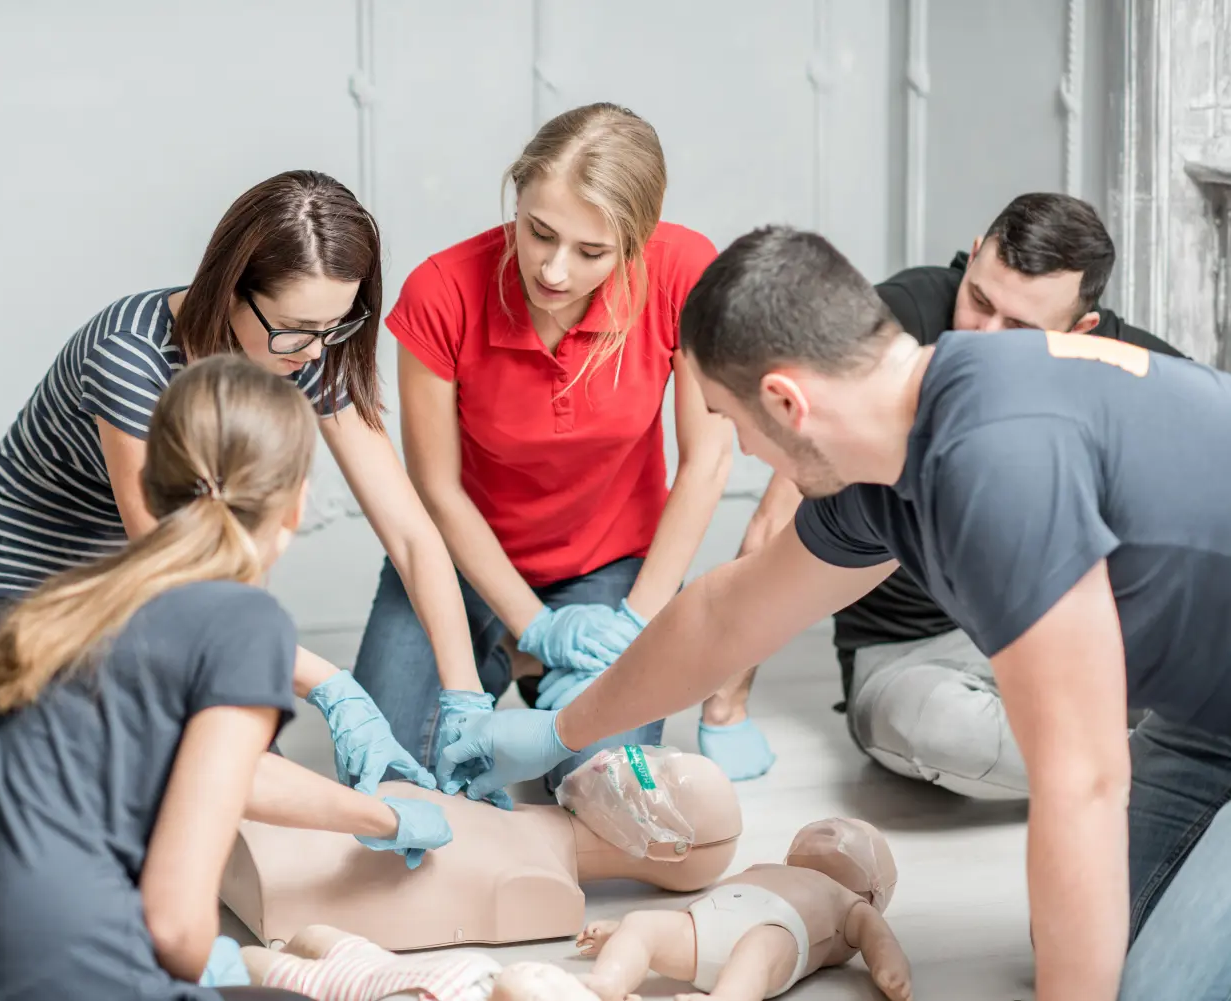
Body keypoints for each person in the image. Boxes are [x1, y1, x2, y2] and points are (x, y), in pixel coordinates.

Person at [439, 225, 1231, 1001]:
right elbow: (724, 615)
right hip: (1202, 717)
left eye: (731, 419)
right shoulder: (889, 465)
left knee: (1156, 986)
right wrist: (560, 729)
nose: (742, 450)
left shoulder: (996, 458)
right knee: (1086, 938)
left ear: (785, 400)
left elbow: (1085, 780)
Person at [0, 356, 452, 1001]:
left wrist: (382, 818)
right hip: (42, 973)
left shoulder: (73, 599)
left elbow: (228, 772)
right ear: (295, 504)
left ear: (146, 487)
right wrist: (216, 966)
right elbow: (175, 930)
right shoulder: (245, 622)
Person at [0, 170, 468, 795]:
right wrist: (331, 686)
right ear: (230, 289)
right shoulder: (130, 357)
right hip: (24, 582)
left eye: (336, 327)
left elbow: (409, 533)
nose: (317, 353)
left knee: (235, 738)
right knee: (141, 779)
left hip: (148, 580)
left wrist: (465, 699)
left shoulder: (302, 345)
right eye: (297, 328)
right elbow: (176, 581)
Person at [712, 192, 1187, 796]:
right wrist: (726, 707)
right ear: (974, 255)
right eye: (980, 300)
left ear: (1080, 329)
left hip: (1066, 636)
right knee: (937, 727)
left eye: (1018, 327)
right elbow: (776, 517)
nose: (982, 337)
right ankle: (1163, 772)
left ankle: (1145, 762)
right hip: (913, 654)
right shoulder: (894, 324)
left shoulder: (1119, 359)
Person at [351, 102, 737, 798]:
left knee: (602, 784)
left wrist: (634, 622)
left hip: (612, 568)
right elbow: (438, 490)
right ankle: (516, 653)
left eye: (591, 252)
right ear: (518, 199)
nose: (555, 270)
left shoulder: (683, 271)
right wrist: (535, 624)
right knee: (391, 771)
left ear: (637, 241)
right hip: (462, 563)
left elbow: (706, 461)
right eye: (539, 233)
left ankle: (527, 668)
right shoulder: (443, 293)